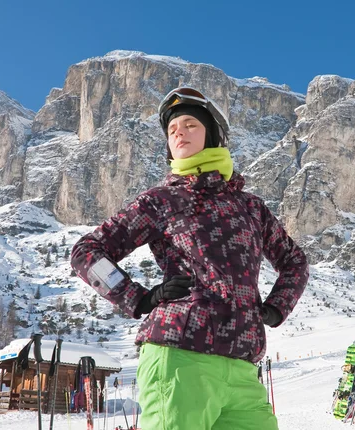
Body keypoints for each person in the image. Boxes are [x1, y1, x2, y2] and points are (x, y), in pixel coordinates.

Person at [71, 87, 309, 430]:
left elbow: (295, 262)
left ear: (212, 135)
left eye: (190, 124)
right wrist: (139, 297)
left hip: (242, 367)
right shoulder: (161, 201)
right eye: (171, 130)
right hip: (179, 357)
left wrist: (275, 307)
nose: (179, 131)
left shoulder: (251, 207)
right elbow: (86, 252)